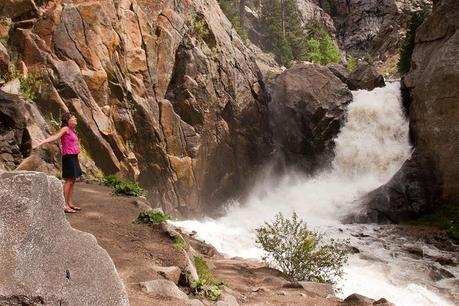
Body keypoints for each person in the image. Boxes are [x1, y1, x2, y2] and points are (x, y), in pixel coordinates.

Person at [33, 112, 82, 213]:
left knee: (72, 180)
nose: (75, 119)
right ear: (67, 121)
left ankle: (69, 203)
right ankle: (63, 205)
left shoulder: (72, 130)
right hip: (68, 157)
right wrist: (43, 141)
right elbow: (55, 137)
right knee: (69, 180)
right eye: (73, 118)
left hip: (73, 156)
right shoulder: (65, 129)